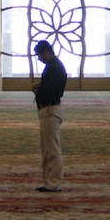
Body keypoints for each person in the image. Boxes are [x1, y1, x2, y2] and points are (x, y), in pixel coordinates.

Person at [32, 40, 66, 192]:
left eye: (39, 55)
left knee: (52, 149)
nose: (38, 58)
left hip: (51, 110)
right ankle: (49, 181)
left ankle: (54, 183)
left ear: (46, 52)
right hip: (48, 111)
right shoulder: (52, 66)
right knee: (46, 149)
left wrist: (39, 90)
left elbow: (53, 92)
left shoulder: (55, 68)